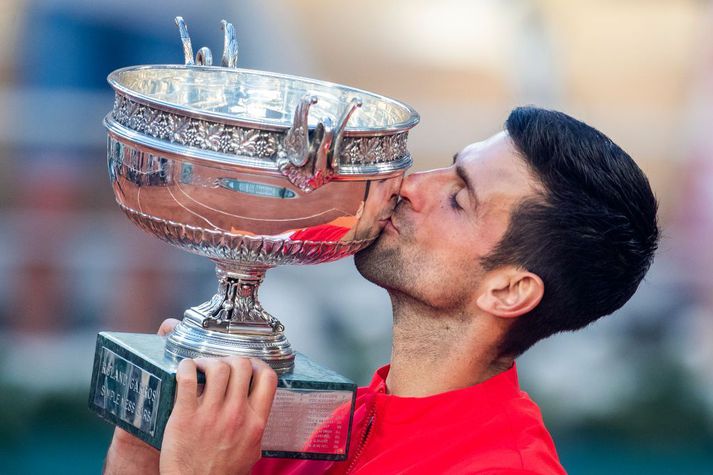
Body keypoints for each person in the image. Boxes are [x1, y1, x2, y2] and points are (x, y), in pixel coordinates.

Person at [103, 107, 660, 474]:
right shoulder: (328, 422)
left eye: (459, 198)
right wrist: (144, 444)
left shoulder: (500, 468)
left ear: (510, 290)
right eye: (448, 168)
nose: (411, 185)